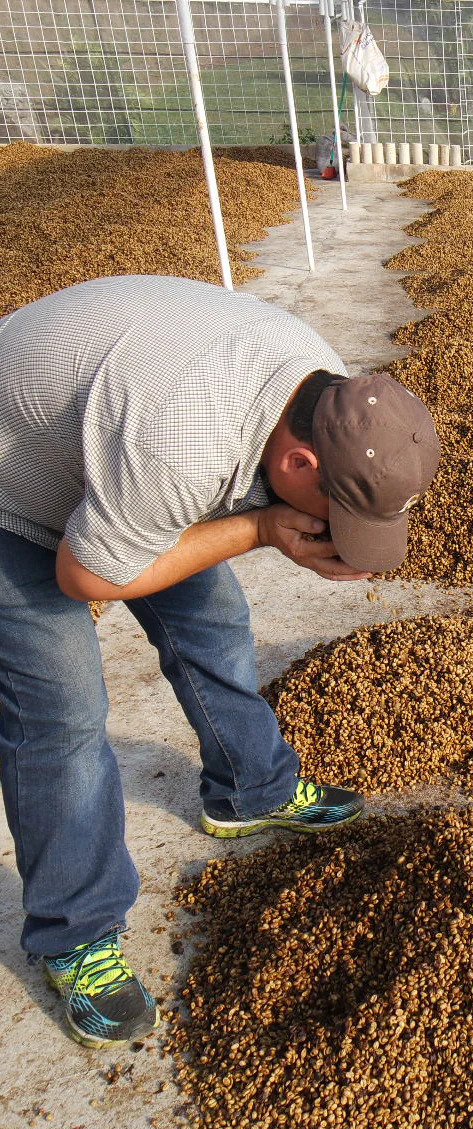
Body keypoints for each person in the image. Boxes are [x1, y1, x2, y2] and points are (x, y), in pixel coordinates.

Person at [0, 275, 441, 1049]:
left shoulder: (325, 386)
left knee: (214, 617)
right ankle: (75, 931)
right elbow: (86, 575)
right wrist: (262, 531)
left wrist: (264, 521)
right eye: (333, 512)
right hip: (13, 495)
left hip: (111, 456)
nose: (329, 528)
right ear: (301, 462)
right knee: (61, 712)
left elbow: (192, 510)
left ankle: (250, 789)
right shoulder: (177, 446)